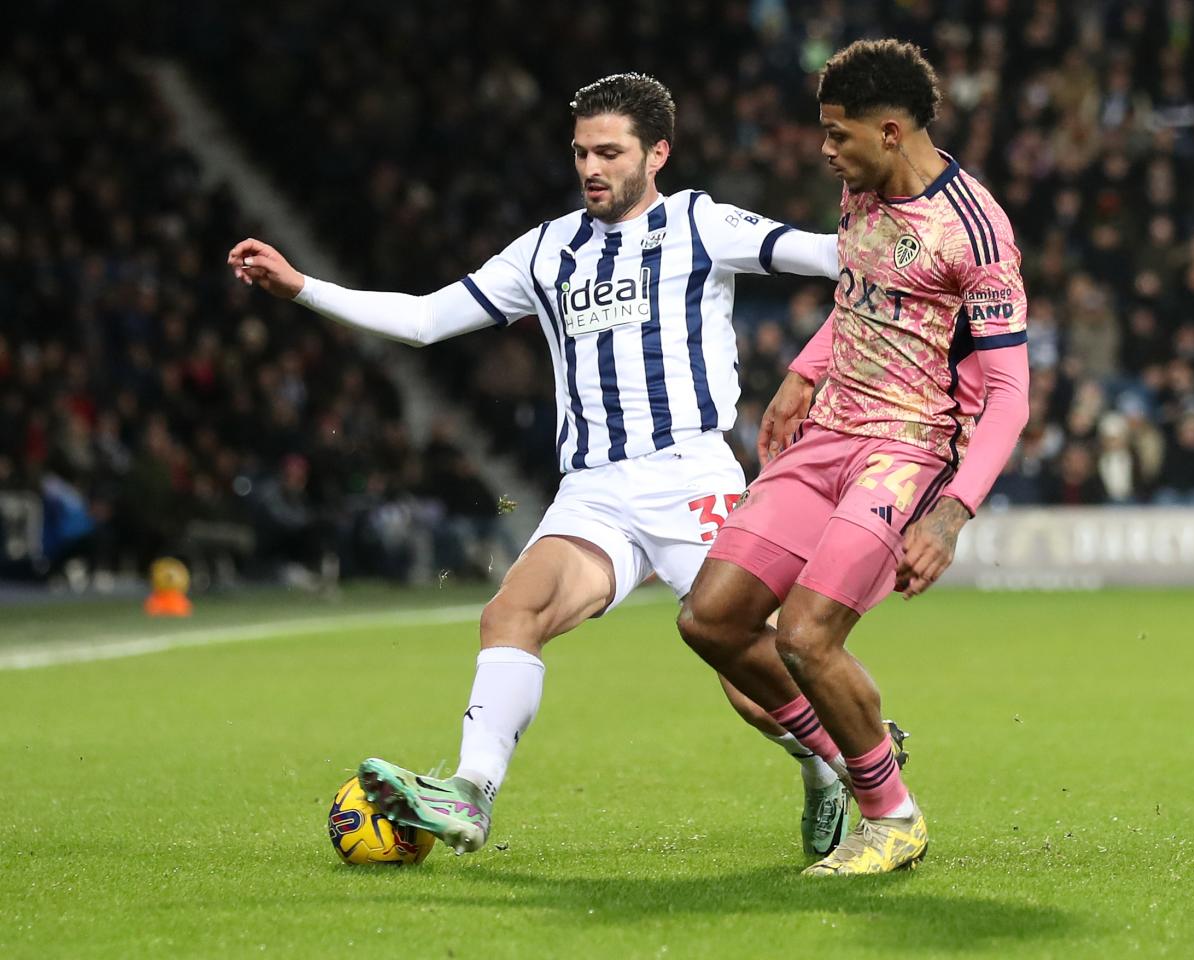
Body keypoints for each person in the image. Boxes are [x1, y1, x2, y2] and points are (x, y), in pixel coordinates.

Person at [227, 73, 886, 858]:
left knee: (754, 676)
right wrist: (304, 288)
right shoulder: (546, 251)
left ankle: (827, 765)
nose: (591, 168)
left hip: (691, 477)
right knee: (511, 614)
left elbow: (822, 254)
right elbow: (429, 320)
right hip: (595, 492)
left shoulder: (699, 224)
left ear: (658, 153)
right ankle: (471, 794)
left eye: (610, 152)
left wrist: (916, 218)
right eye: (581, 153)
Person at [678, 39, 1030, 876]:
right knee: (712, 621)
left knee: (805, 635)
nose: (826, 151)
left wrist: (951, 514)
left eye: (838, 135)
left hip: (906, 449)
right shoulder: (859, 191)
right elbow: (859, 297)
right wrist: (803, 373)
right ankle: (848, 752)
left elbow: (1012, 390)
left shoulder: (975, 233)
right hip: (828, 430)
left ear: (891, 127)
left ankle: (893, 817)